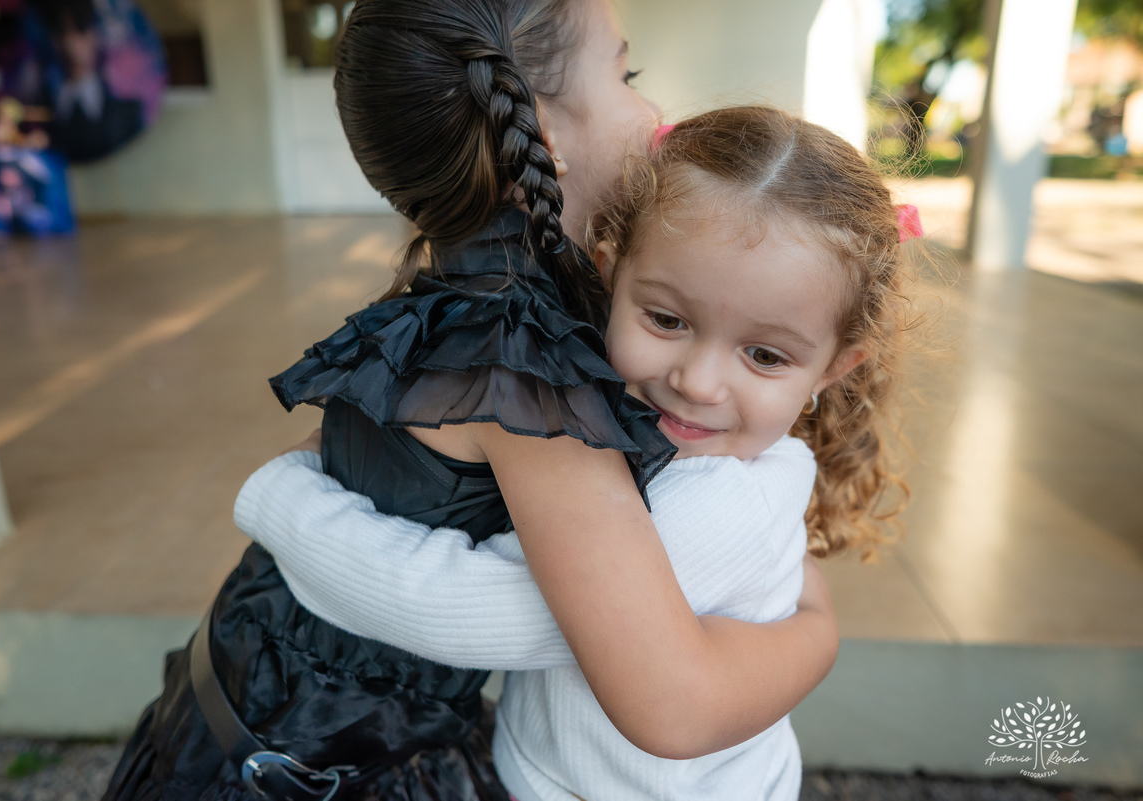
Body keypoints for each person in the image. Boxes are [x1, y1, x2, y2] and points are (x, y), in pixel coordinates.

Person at [102, 2, 840, 800]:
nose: (652, 111)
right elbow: (673, 702)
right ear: (544, 135)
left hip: (244, 684)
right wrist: (817, 633)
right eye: (627, 74)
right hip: (329, 760)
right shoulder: (526, 376)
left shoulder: (454, 297)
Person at [236, 105, 917, 801]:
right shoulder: (710, 456)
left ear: (834, 368)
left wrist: (283, 496)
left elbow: (451, 606)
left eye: (765, 355)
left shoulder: (714, 504)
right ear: (609, 271)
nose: (697, 380)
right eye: (667, 319)